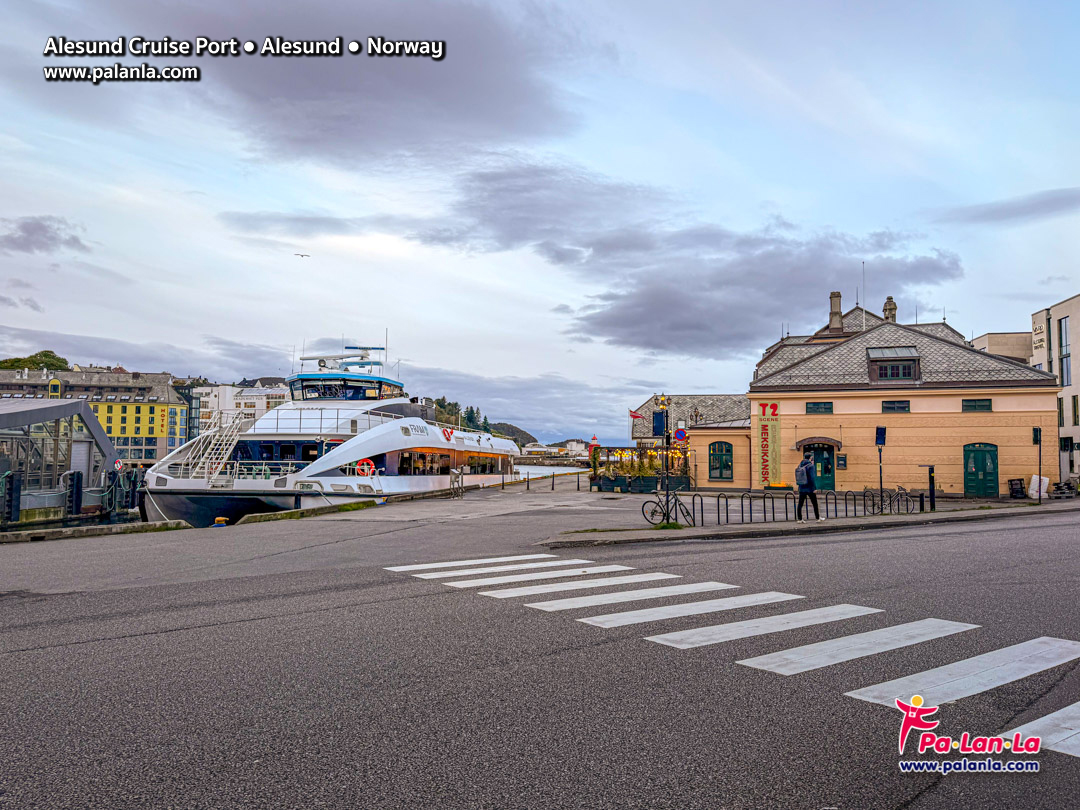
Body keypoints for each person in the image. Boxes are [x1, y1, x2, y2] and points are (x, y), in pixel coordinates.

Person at [796, 451, 823, 523]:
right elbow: (812, 478)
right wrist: (814, 488)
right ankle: (818, 518)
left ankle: (799, 519)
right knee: (814, 503)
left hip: (802, 487)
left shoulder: (800, 465)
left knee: (800, 504)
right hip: (810, 488)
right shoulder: (810, 466)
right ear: (810, 458)